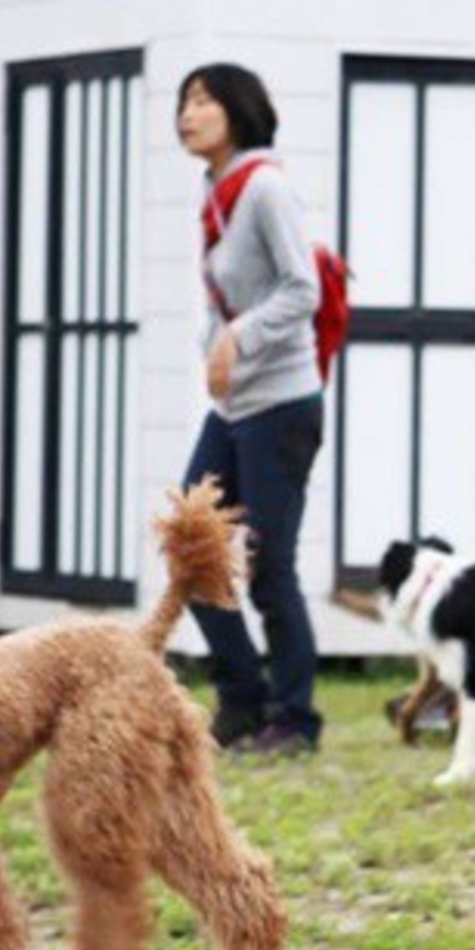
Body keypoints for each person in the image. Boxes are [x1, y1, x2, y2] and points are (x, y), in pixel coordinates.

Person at [177, 62, 324, 754]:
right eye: (184, 102)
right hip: (236, 408)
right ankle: (240, 695)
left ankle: (293, 716)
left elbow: (304, 290)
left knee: (268, 564)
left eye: (203, 101)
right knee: (191, 538)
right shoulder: (215, 192)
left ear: (238, 110)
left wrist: (237, 337)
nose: (188, 113)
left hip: (284, 403)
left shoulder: (265, 188)